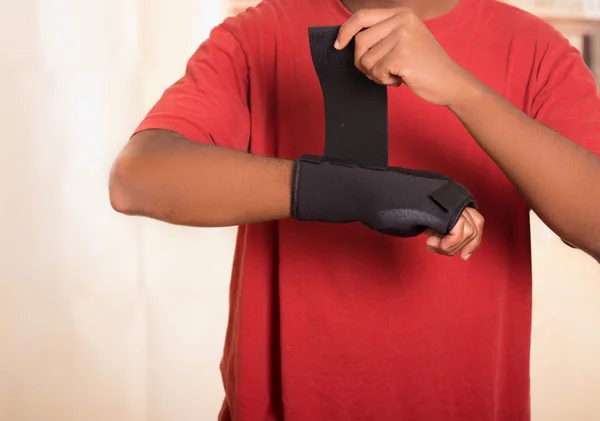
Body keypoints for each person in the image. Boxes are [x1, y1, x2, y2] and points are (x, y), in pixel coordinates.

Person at [108, 0, 600, 418]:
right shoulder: (259, 34)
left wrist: (459, 87)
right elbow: (137, 178)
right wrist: (354, 190)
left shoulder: (536, 51)